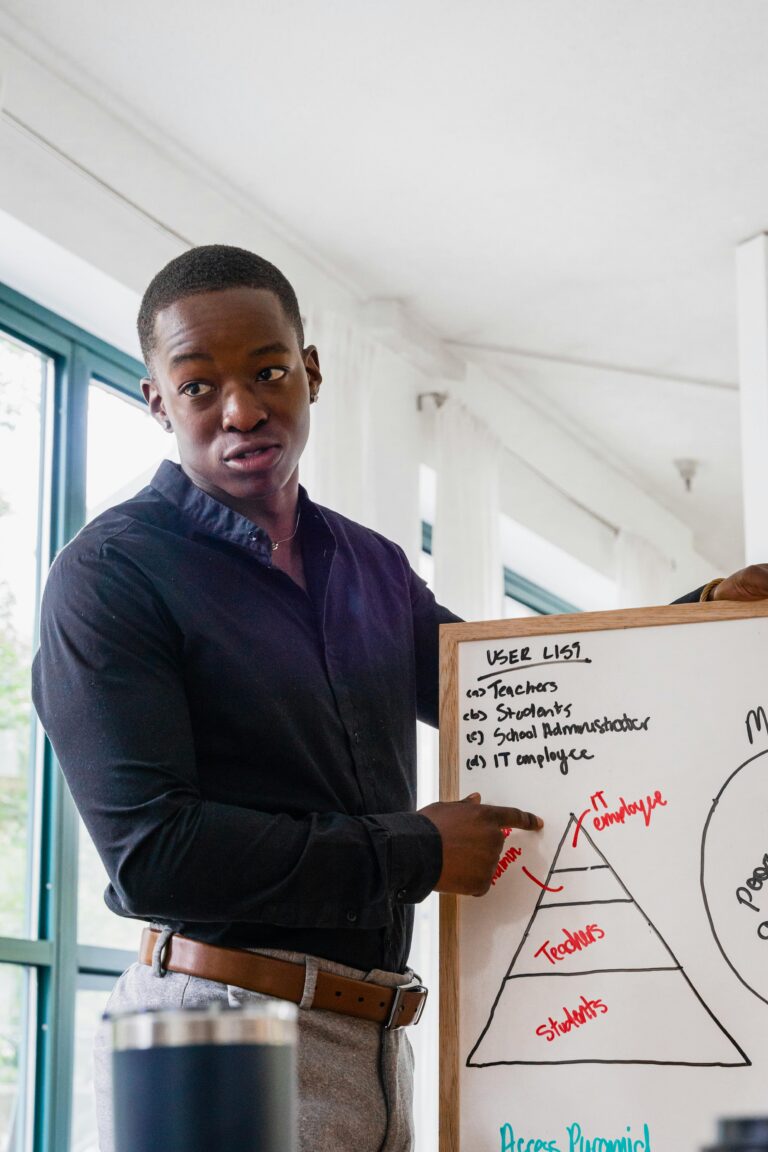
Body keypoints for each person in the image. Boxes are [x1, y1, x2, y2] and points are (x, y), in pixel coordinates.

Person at [31, 245, 768, 1151]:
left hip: (378, 1040)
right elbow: (154, 855)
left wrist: (697, 620)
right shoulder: (109, 576)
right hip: (210, 1023)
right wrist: (417, 848)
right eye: (197, 385)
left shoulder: (373, 566)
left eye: (268, 371)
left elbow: (512, 689)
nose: (242, 408)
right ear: (157, 400)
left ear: (310, 370)